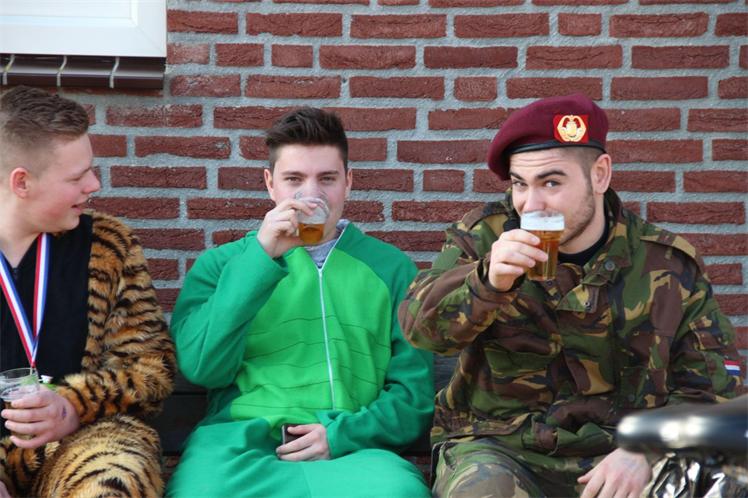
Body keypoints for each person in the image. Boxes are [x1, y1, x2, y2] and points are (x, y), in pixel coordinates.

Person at [399, 94, 744, 498]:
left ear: (600, 175)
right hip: (503, 446)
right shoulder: (484, 238)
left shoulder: (665, 263)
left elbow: (715, 389)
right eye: (520, 184)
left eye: (551, 183)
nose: (531, 205)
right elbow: (421, 331)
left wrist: (648, 448)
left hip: (622, 451)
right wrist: (487, 283)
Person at [166, 107, 434, 497]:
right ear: (270, 184)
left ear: (348, 183)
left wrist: (343, 434)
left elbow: (413, 397)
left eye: (327, 178)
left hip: (355, 449)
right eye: (294, 179)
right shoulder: (222, 266)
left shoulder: (392, 269)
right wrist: (260, 259)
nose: (312, 195)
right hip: (238, 445)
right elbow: (204, 368)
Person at [0, 86, 176, 497]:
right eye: (77, 177)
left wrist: (72, 407)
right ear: (22, 182)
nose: (94, 185)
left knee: (116, 480)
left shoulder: (109, 246)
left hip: (80, 446)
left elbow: (150, 368)